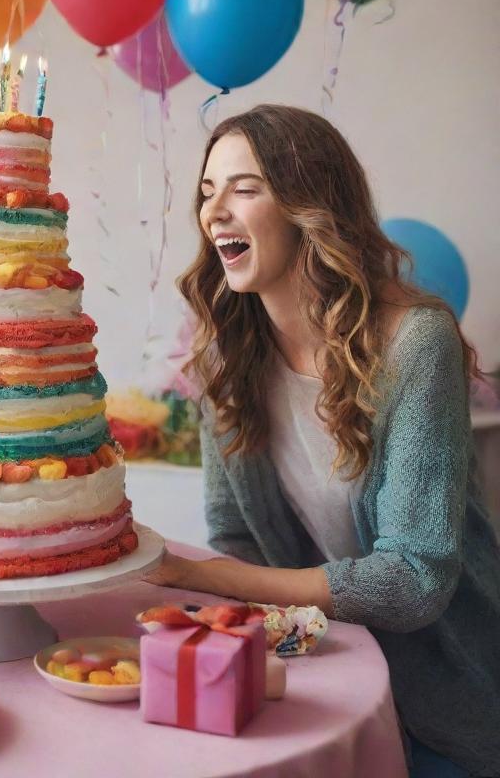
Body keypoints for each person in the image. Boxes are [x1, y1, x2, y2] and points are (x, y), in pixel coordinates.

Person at [147, 105, 500, 777]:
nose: (215, 210)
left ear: (311, 204)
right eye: (207, 192)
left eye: (244, 188)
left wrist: (201, 578)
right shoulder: (223, 354)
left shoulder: (414, 345)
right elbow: (239, 534)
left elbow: (416, 579)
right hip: (316, 677)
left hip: (443, 699)